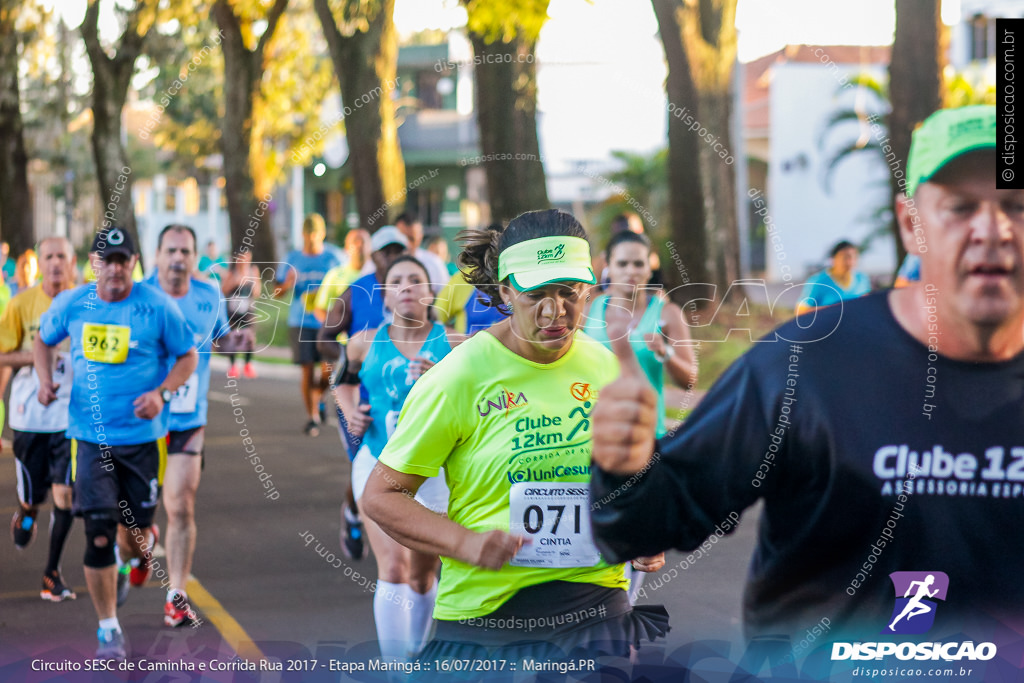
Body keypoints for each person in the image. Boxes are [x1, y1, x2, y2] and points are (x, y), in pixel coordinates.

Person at [588, 105, 1024, 644]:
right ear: (912, 225)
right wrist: (621, 468)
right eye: (960, 207)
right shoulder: (801, 367)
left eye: (1016, 205)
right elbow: (643, 525)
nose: (993, 229)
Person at [362, 209, 668, 672]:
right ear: (505, 291)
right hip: (486, 620)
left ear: (589, 288)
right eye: (536, 295)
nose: (555, 312)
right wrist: (463, 542)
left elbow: (636, 464)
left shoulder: (608, 367)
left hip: (596, 604)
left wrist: (647, 524)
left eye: (569, 293)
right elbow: (382, 494)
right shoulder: (458, 377)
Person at [35, 226, 197, 659]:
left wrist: (161, 393)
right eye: (108, 259)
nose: (116, 269)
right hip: (89, 440)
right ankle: (108, 627)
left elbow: (188, 355)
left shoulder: (156, 307)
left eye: (124, 260)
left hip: (143, 443)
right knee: (99, 533)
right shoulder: (72, 303)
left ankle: (136, 553)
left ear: (134, 263)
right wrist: (44, 379)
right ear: (94, 263)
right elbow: (43, 339)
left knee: (134, 538)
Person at [335, 255, 461, 662]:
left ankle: (414, 651)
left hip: (434, 473)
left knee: (423, 576)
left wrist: (440, 376)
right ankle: (396, 668)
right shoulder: (364, 342)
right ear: (386, 295)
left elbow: (480, 402)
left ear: (430, 292)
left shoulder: (456, 345)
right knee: (392, 569)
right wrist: (351, 411)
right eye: (396, 281)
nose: (406, 286)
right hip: (376, 463)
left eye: (415, 279)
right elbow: (342, 381)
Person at [149, 224, 228, 627]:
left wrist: (241, 337)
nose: (179, 258)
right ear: (157, 255)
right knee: (130, 521)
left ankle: (176, 594)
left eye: (186, 251)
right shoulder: (140, 295)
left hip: (187, 420)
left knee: (180, 505)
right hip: (141, 420)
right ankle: (138, 546)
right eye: (171, 251)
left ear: (195, 257)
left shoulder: (209, 297)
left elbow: (225, 339)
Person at [318, 226, 409, 561]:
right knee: (365, 461)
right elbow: (323, 338)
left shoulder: (415, 293)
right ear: (373, 256)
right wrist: (348, 357)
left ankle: (399, 528)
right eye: (387, 251)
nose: (393, 257)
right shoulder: (356, 292)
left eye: (399, 250)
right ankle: (355, 512)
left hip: (402, 396)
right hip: (360, 395)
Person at [3, 237, 78, 601]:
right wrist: (40, 354)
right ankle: (26, 511)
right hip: (30, 416)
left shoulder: (85, 303)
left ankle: (52, 573)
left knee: (66, 495)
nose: (54, 263)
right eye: (48, 256)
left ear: (72, 261)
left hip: (70, 416)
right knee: (34, 496)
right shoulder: (21, 304)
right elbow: (2, 355)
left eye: (61, 256)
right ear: (39, 262)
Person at [584, 231, 697, 439]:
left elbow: (690, 380)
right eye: (622, 263)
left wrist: (666, 353)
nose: (631, 271)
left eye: (638, 264)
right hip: (594, 436)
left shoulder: (667, 313)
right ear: (608, 266)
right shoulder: (588, 311)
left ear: (649, 268)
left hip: (647, 436)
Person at [274, 213, 342, 436]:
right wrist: (288, 284)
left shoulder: (333, 257)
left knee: (327, 371)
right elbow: (276, 293)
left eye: (315, 235)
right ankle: (312, 416)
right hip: (300, 321)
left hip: (326, 321)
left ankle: (319, 396)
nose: (311, 239)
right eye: (307, 235)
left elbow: (347, 283)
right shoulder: (292, 258)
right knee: (306, 370)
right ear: (303, 235)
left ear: (322, 234)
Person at [433, 223, 509, 336]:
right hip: (472, 351)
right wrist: (461, 340)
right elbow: (437, 318)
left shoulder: (515, 278)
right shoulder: (462, 278)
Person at [795, 239, 872, 314]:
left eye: (854, 257)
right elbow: (800, 312)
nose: (850, 262)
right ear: (833, 259)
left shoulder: (862, 279)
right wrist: (834, 309)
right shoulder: (817, 282)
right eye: (845, 257)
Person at [313, 228, 372, 324]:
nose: (359, 246)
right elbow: (320, 309)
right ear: (346, 248)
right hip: (343, 339)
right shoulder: (335, 275)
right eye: (355, 242)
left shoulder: (379, 275)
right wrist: (336, 328)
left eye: (363, 242)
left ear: (370, 247)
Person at [219, 248, 262, 379]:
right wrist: (235, 281)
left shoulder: (253, 271)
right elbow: (223, 290)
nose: (244, 261)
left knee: (249, 337)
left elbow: (257, 292)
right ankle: (232, 365)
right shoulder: (232, 273)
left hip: (247, 310)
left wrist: (250, 280)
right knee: (232, 337)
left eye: (246, 258)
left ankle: (248, 364)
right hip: (233, 310)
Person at [395, 212, 450, 294]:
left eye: (411, 239)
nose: (407, 244)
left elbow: (446, 297)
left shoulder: (435, 264)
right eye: (402, 238)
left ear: (420, 237)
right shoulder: (380, 265)